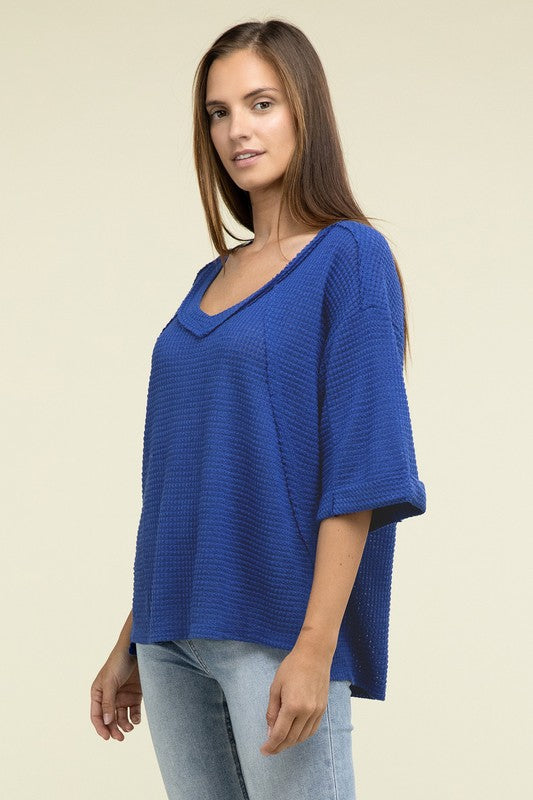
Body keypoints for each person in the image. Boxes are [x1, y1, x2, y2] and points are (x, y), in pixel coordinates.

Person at [90, 18, 427, 800]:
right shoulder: (207, 281)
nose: (236, 129)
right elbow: (186, 479)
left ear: (305, 110)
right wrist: (131, 638)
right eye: (218, 112)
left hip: (275, 628)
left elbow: (362, 467)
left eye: (260, 103)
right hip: (170, 634)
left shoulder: (349, 256)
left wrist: (315, 647)